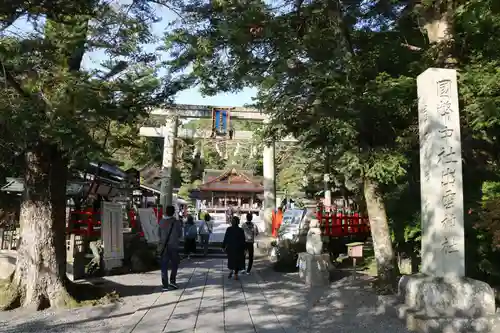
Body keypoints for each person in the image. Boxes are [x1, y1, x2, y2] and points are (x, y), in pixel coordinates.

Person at [158, 205, 182, 291]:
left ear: (166, 212)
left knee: (164, 265)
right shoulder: (177, 222)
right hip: (174, 246)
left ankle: (165, 285)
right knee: (175, 264)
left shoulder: (161, 222)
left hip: (164, 247)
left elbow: (159, 234)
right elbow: (180, 234)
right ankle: (172, 281)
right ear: (173, 212)